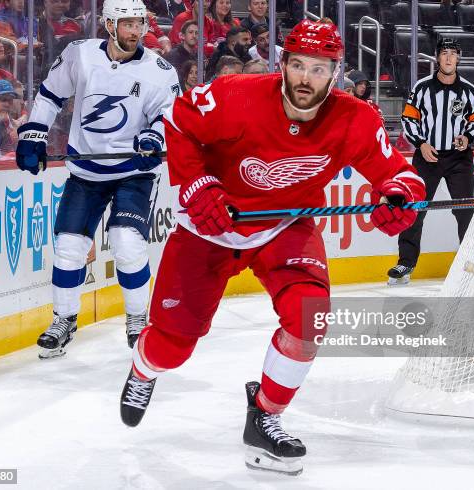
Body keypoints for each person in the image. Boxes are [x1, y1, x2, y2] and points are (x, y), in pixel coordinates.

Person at [119, 19, 425, 475]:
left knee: (310, 317)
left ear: (335, 73)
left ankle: (264, 415)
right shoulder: (236, 94)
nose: (306, 78)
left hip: (285, 227)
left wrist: (400, 199)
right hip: (210, 227)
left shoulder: (356, 117)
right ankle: (144, 370)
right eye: (298, 65)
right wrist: (196, 185)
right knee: (172, 347)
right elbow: (178, 122)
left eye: (319, 69)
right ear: (283, 63)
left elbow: (398, 173)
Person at [15, 0, 180, 359]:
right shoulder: (81, 55)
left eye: (139, 24)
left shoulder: (160, 70)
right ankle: (64, 321)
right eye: (127, 24)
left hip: (133, 174)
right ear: (109, 25)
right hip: (86, 171)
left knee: (126, 242)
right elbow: (49, 94)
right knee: (69, 248)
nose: (136, 31)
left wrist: (154, 138)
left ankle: (138, 319)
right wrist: (33, 135)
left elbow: (168, 117)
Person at [392, 38, 474, 285]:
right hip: (427, 155)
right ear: (437, 57)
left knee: (465, 211)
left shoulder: (468, 90)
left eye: (453, 53)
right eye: (444, 53)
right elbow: (409, 119)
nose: (448, 58)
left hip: (459, 159)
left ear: (459, 58)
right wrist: (421, 143)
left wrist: (467, 137)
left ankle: (470, 262)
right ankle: (405, 263)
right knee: (415, 209)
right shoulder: (421, 88)